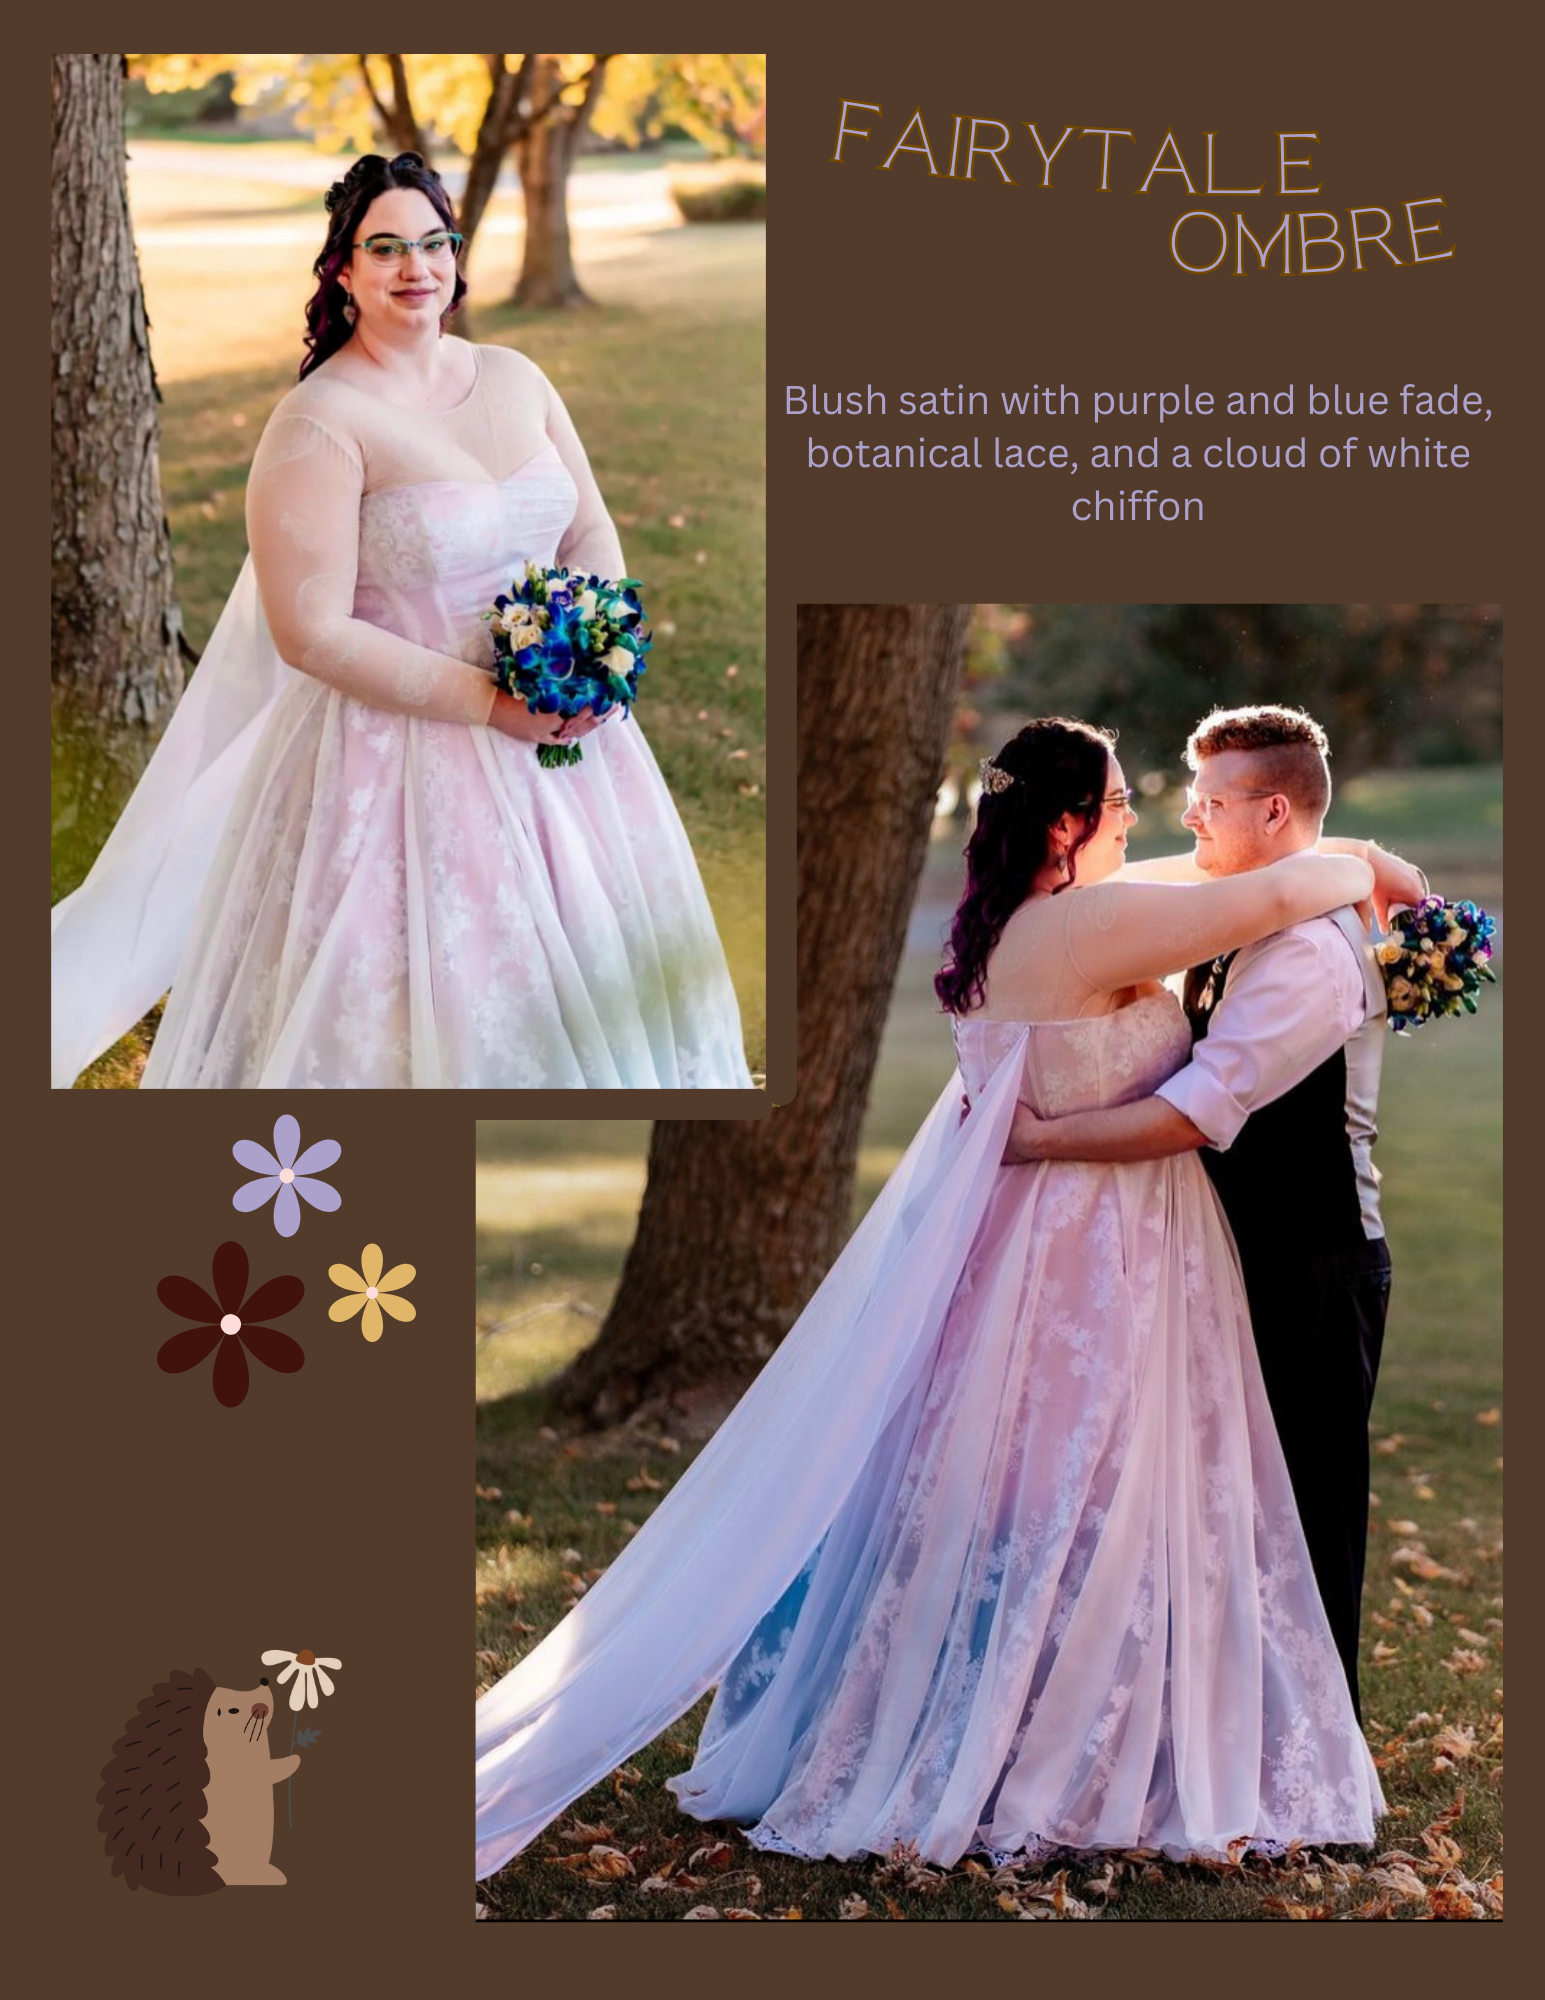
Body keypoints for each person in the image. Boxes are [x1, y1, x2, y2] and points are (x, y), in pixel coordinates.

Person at [475, 716, 1391, 1882]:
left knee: (1037, 1494)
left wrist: (1342, 852)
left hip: (1036, 1241)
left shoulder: (1024, 914)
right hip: (1099, 1241)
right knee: (1093, 1496)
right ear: (1065, 824)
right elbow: (1269, 893)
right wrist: (1372, 862)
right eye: (1115, 803)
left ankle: (1027, 1717)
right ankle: (1052, 1745)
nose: (1135, 820)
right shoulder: (1092, 923)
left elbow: (1204, 880)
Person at [51, 152, 753, 1090]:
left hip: (573, 737)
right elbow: (312, 634)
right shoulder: (320, 422)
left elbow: (588, 524)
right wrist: (492, 703)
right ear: (342, 270)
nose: (415, 267)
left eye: (433, 243)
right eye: (385, 248)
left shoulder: (515, 376)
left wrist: (595, 658)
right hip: (399, 757)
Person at [1004, 705, 1421, 1719]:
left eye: (1210, 801)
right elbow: (1140, 895)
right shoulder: (1245, 915)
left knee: (1308, 1509)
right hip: (1237, 1253)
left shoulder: (1310, 958)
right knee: (1232, 1502)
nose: (1186, 817)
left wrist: (1039, 1140)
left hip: (1313, 1261)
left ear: (1273, 810)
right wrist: (1363, 854)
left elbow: (1197, 1113)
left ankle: (1318, 1748)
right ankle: (1225, 1727)